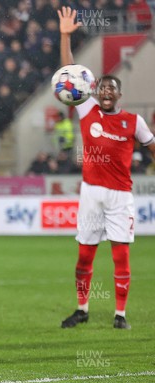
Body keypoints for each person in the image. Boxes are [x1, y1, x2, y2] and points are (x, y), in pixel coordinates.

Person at [58, 7, 155, 329]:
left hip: (120, 196)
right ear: (97, 93)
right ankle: (82, 308)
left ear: (119, 94)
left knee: (120, 256)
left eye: (112, 89)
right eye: (103, 89)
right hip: (91, 192)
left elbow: (152, 147)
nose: (107, 93)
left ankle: (120, 315)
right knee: (85, 255)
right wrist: (65, 35)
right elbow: (68, 70)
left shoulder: (133, 121)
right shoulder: (87, 111)